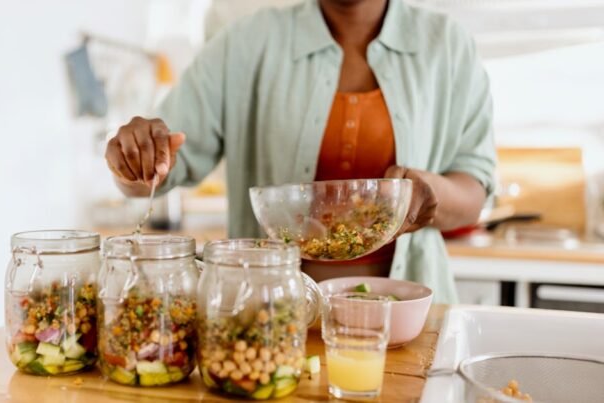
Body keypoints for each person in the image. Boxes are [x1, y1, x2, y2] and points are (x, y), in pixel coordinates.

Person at [104, 0, 496, 303]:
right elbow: (158, 166)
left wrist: (431, 193)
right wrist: (136, 157)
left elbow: (474, 190)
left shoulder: (446, 46)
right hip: (265, 315)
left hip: (408, 315)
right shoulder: (245, 43)